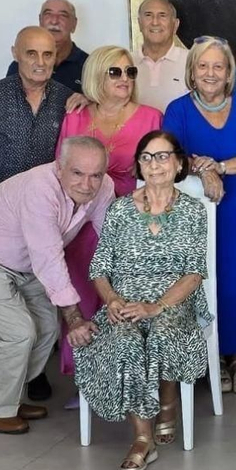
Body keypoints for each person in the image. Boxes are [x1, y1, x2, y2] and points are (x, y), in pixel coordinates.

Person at [0, 138, 111, 434]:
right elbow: (48, 257)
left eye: (95, 174)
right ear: (60, 168)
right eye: (78, 173)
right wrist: (74, 318)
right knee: (18, 332)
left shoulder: (103, 187)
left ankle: (9, 397)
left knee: (46, 326)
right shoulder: (39, 189)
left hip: (21, 262)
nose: (87, 184)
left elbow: (109, 239)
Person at [75, 131, 211, 470]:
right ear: (138, 164)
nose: (155, 164)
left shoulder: (193, 211)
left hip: (174, 301)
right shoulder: (120, 210)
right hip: (125, 300)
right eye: (147, 157)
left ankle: (167, 402)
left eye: (163, 156)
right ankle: (142, 438)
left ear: (179, 163)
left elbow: (194, 273)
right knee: (125, 339)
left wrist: (156, 306)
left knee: (162, 331)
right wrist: (113, 300)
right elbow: (100, 267)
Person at [0, 26, 74, 407]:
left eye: (48, 55)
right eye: (31, 54)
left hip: (43, 219)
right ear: (16, 53)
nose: (40, 62)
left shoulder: (67, 101)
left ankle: (32, 373)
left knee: (40, 296)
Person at [162, 36, 236, 395]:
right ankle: (212, 358)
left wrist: (219, 167)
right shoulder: (177, 109)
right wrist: (201, 168)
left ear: (229, 74)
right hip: (195, 216)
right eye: (203, 66)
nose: (211, 73)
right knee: (206, 283)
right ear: (192, 71)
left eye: (219, 66)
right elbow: (174, 157)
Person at [54, 47, 164, 390]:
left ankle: (128, 378)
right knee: (83, 295)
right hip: (80, 222)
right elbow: (61, 169)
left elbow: (163, 170)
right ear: (97, 76)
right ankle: (87, 379)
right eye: (115, 72)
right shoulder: (76, 116)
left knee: (125, 300)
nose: (125, 79)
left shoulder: (151, 117)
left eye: (130, 72)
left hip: (130, 222)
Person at [4, 0, 88, 92]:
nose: (54, 21)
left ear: (74, 24)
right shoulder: (20, 64)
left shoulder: (89, 65)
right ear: (40, 20)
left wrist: (88, 101)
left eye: (63, 15)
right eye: (48, 14)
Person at [132, 0, 189, 113]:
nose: (155, 22)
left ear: (175, 25)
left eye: (162, 15)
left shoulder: (192, 61)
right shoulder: (126, 63)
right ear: (139, 23)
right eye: (148, 15)